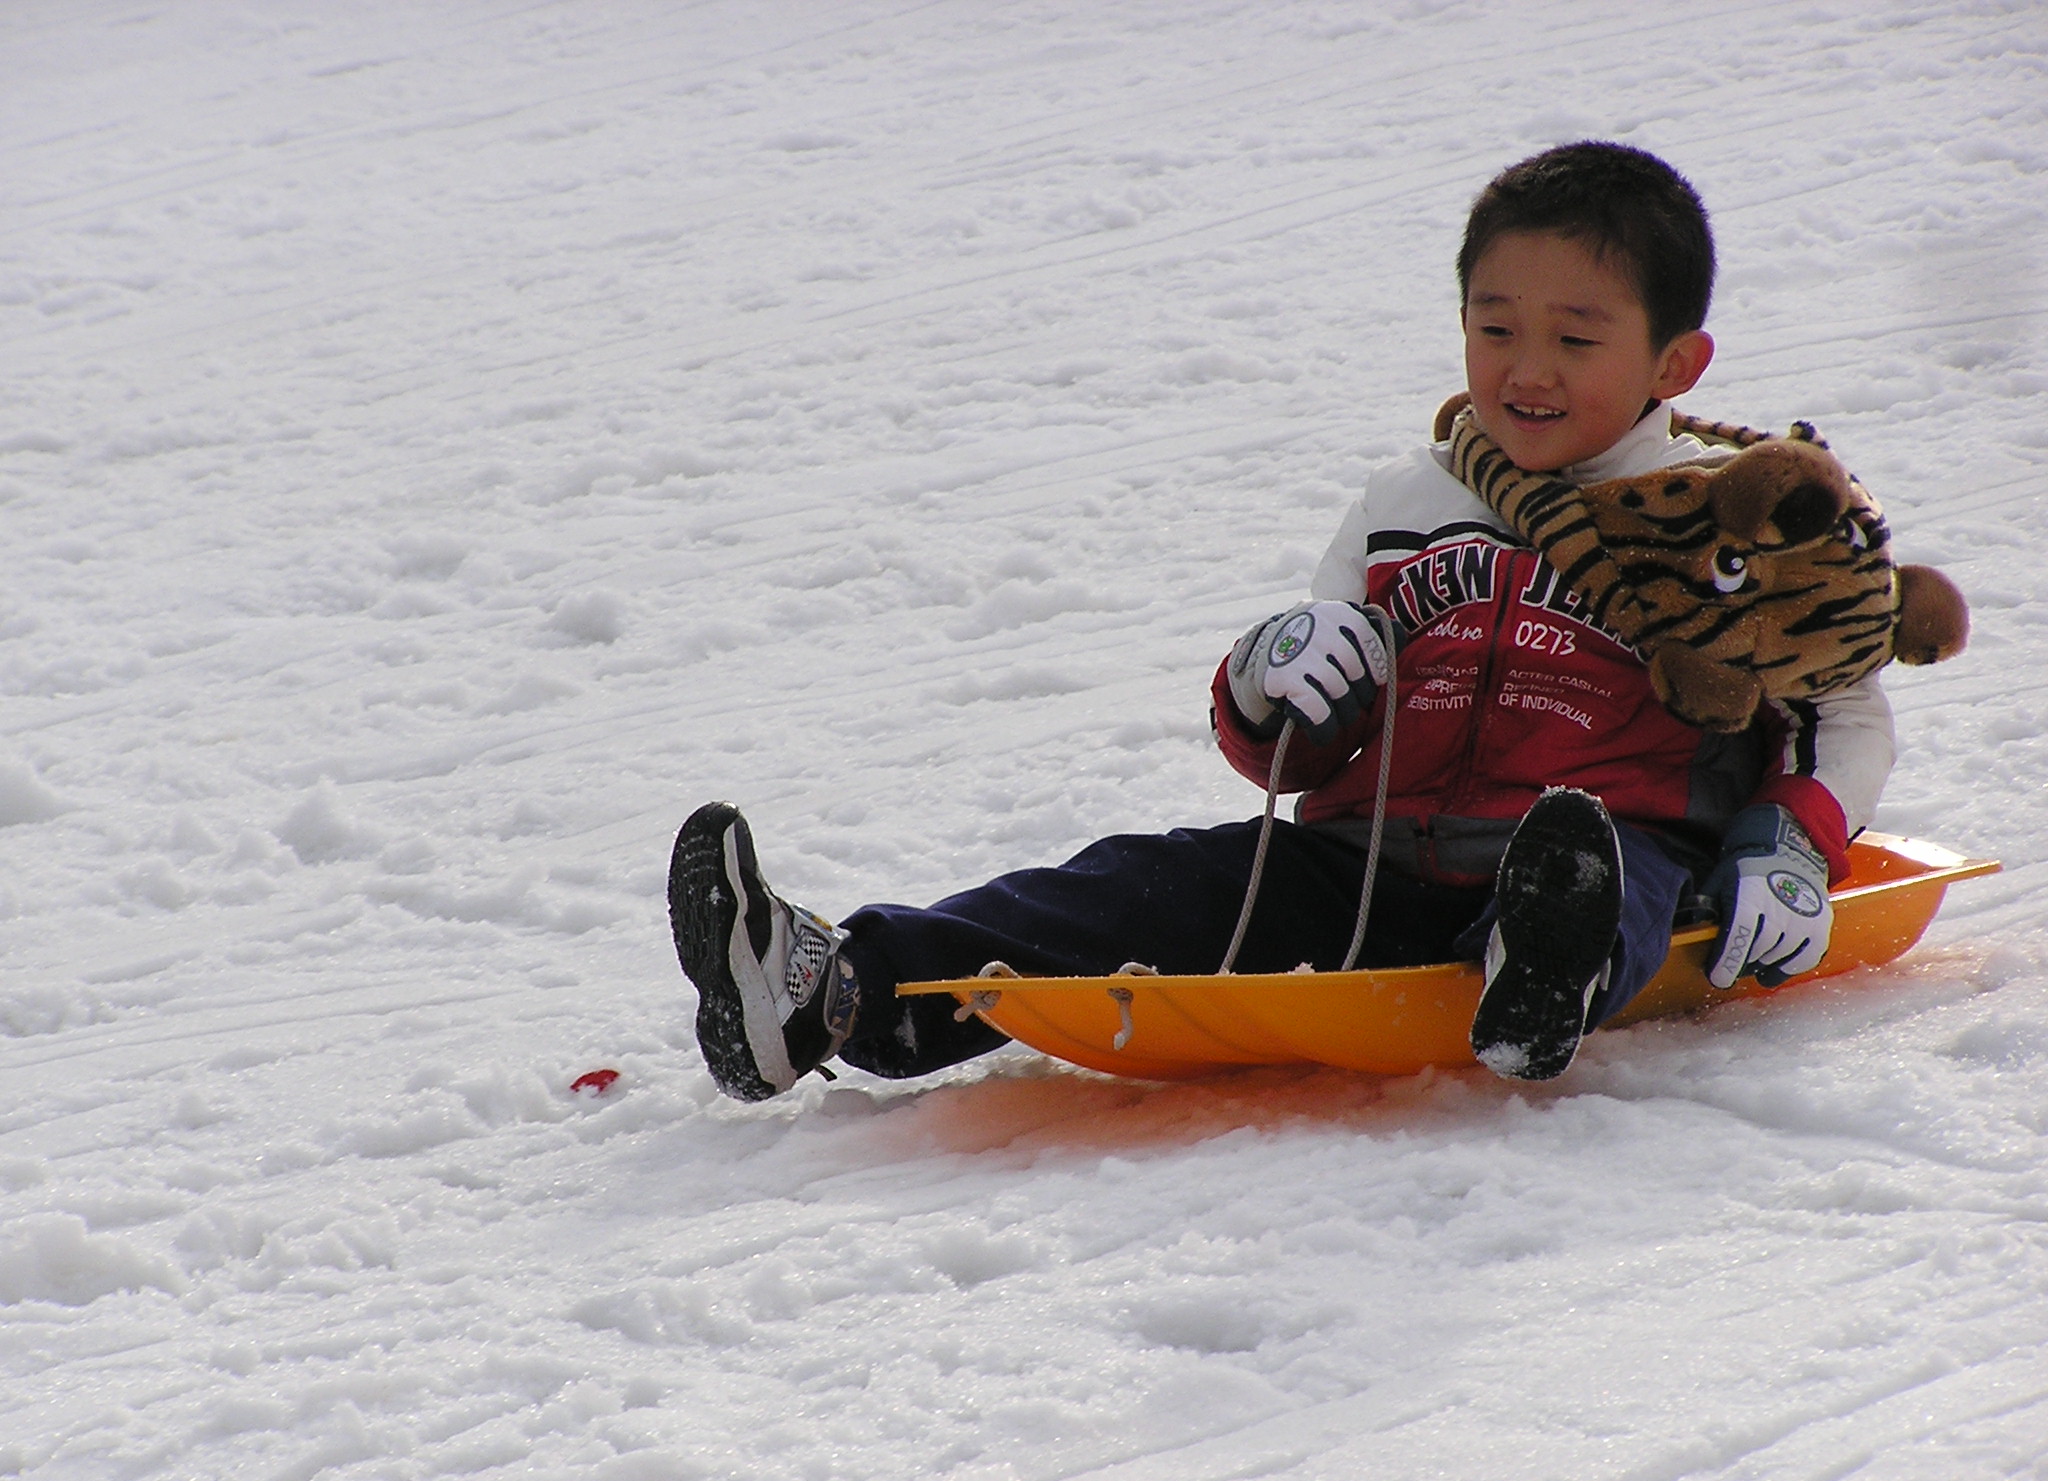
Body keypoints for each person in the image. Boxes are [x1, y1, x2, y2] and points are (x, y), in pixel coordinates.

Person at [668, 141, 1895, 1100]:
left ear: (1675, 362)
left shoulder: (1735, 525)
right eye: (1493, 328)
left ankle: (1543, 972)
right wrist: (1271, 682)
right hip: (1363, 860)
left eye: (1574, 339)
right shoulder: (1404, 506)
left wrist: (1786, 845)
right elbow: (1293, 746)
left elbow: (1836, 714)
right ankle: (831, 995)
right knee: (1145, 884)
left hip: (1618, 849)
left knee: (1596, 865)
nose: (1525, 370)